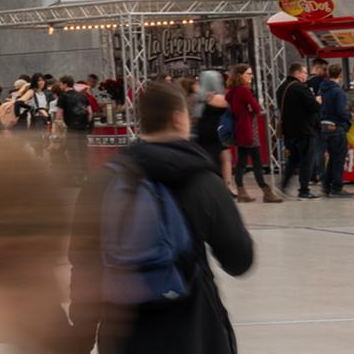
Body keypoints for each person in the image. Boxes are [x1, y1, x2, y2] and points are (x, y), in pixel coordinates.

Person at [67, 80, 255, 353]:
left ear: (142, 121)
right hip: (194, 330)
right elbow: (239, 260)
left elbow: (85, 264)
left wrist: (83, 332)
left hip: (124, 334)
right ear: (178, 119)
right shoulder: (202, 180)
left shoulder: (102, 183)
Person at [224, 65, 278, 203]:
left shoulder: (232, 91)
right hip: (249, 132)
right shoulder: (244, 91)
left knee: (241, 163)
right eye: (249, 73)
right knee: (257, 163)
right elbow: (257, 108)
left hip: (239, 131)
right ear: (240, 75)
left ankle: (242, 192)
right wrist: (251, 108)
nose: (251, 76)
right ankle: (267, 192)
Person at [275, 63, 321, 199]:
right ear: (297, 73)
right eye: (304, 73)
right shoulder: (301, 88)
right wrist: (317, 101)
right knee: (307, 160)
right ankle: (304, 190)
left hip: (289, 131)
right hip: (305, 130)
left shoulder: (281, 88)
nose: (306, 76)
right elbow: (313, 107)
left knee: (293, 159)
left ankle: (283, 185)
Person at [317, 64, 354, 197]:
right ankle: (337, 188)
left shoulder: (322, 89)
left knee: (332, 158)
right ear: (340, 75)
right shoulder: (338, 92)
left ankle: (326, 185)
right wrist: (349, 116)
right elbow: (341, 110)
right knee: (338, 158)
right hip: (336, 127)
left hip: (324, 125)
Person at [192, 71, 229, 180]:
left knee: (210, 158)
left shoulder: (202, 97)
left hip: (206, 133)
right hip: (213, 133)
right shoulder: (215, 97)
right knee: (216, 160)